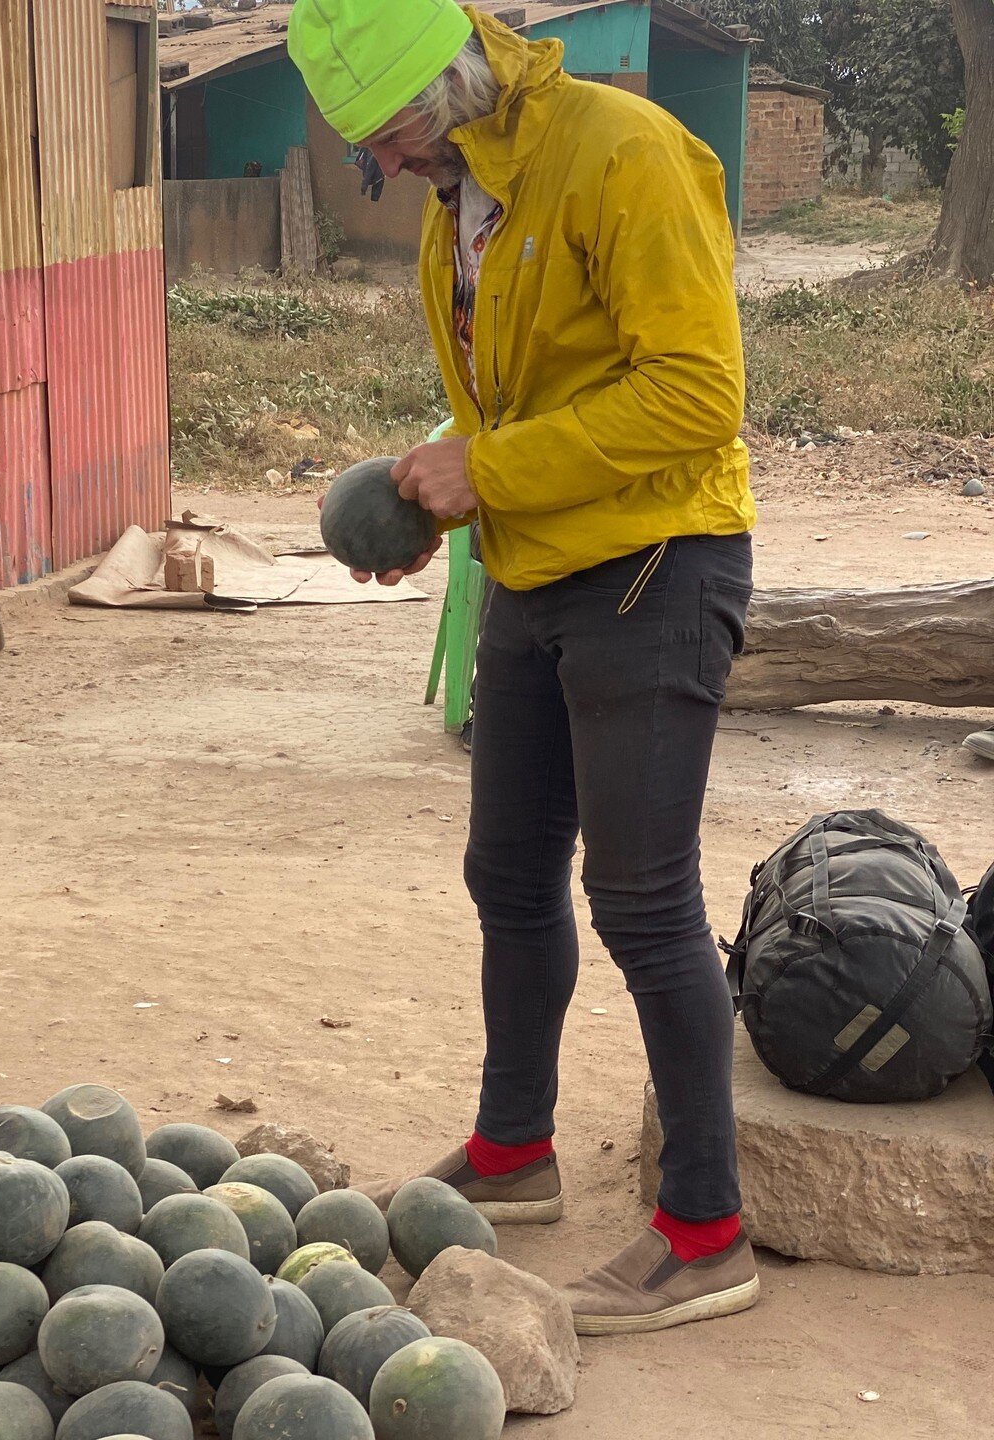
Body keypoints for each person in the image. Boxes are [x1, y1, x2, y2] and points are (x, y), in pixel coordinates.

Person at [289, 0, 759, 1335]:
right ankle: (516, 1153)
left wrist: (484, 470)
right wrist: (442, 497)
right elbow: (523, 393)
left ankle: (707, 1229)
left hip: (659, 565)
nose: (390, 168)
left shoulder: (623, 152)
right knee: (506, 870)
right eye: (369, 149)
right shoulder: (467, 195)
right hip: (537, 568)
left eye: (397, 134)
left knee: (645, 901)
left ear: (458, 75)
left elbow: (694, 392)